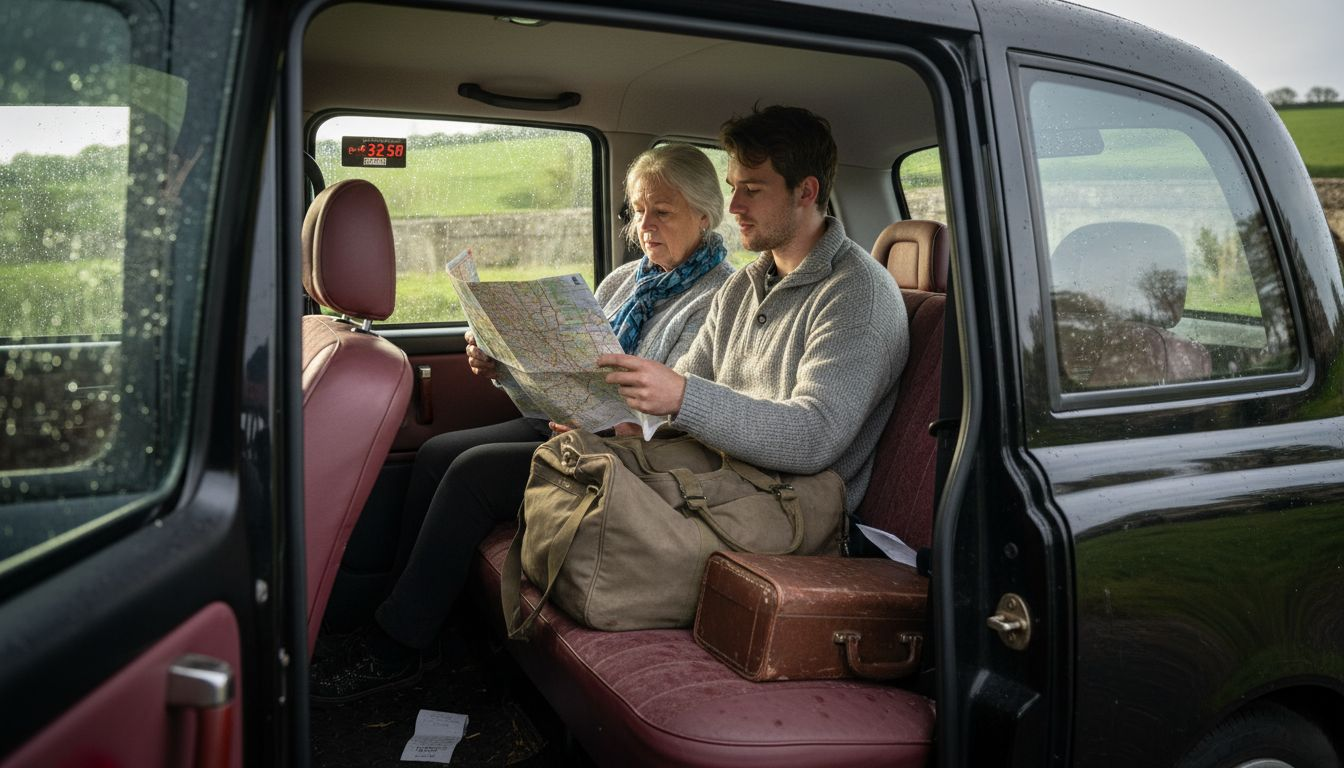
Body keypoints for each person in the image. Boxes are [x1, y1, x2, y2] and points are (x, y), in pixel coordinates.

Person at [311, 142, 733, 703]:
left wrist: (607, 420)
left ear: (706, 216)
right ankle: (404, 610)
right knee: (439, 453)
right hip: (568, 427)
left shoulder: (718, 298)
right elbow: (565, 374)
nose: (644, 225)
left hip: (626, 455)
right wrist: (502, 365)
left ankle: (397, 649)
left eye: (663, 211)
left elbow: (680, 410)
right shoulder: (627, 280)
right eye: (636, 211)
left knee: (472, 475)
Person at [598, 105, 908, 516]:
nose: (735, 206)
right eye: (734, 187)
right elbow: (688, 385)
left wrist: (683, 396)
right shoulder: (741, 288)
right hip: (720, 484)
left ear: (806, 192)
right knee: (575, 474)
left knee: (604, 525)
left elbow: (814, 436)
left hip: (789, 511)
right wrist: (630, 432)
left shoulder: (858, 295)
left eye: (753, 190)